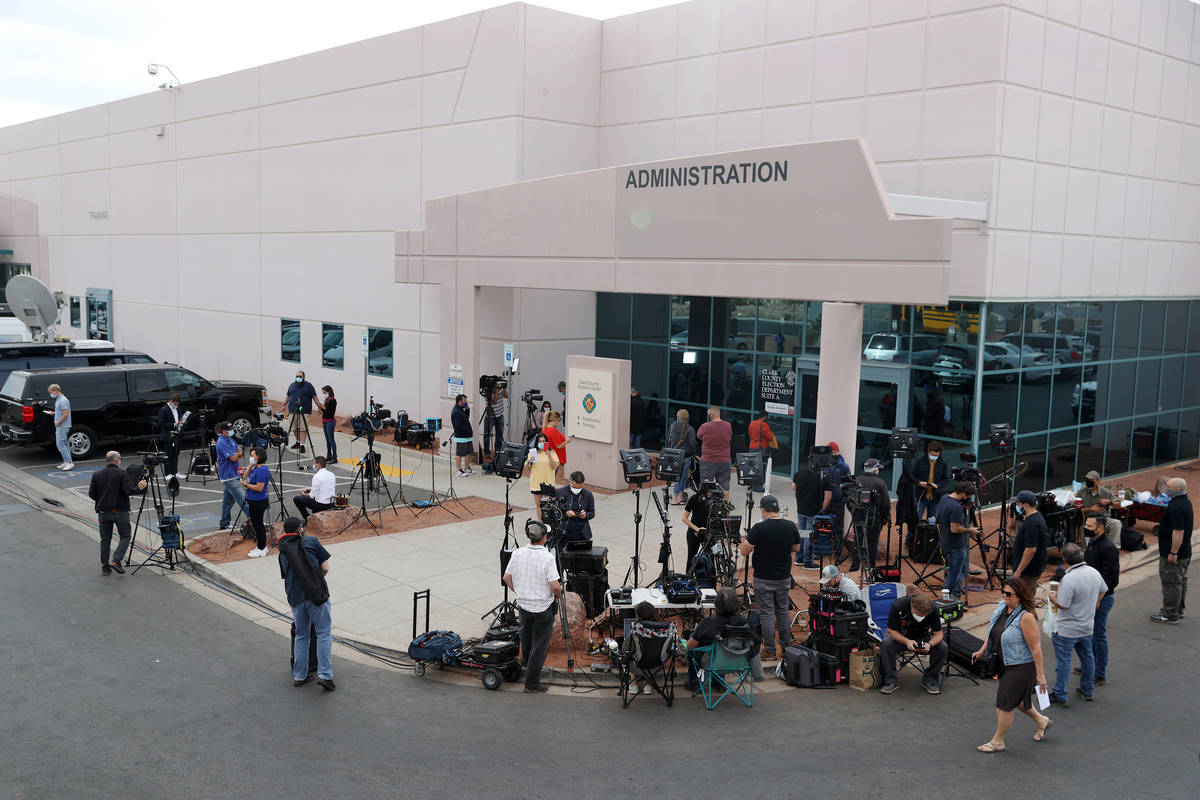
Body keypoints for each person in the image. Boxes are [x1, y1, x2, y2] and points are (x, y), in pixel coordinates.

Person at [973, 579, 1052, 752]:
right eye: (1003, 591)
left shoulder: (1026, 617)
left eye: (1008, 593)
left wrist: (1041, 676)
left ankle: (998, 741)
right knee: (1017, 700)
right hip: (1004, 664)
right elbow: (994, 633)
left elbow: (1036, 648)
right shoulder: (1002, 608)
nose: (1004, 595)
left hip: (1021, 666)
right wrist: (981, 651)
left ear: (1020, 595)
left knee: (1004, 702)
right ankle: (1042, 721)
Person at [502, 520, 562, 693]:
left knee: (527, 642)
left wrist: (519, 591)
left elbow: (507, 578)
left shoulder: (518, 554)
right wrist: (556, 597)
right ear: (544, 538)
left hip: (523, 605)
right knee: (539, 647)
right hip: (542, 608)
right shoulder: (547, 558)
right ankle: (531, 684)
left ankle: (528, 671)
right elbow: (556, 586)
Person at [1047, 543, 1109, 707]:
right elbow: (1104, 589)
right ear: (1081, 556)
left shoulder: (1069, 579)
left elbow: (1063, 604)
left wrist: (1053, 598)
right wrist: (1097, 602)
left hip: (1067, 629)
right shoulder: (1093, 572)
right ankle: (1087, 690)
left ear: (1064, 559)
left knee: (1064, 662)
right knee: (1087, 657)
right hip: (1086, 626)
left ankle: (1060, 694)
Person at [739, 494, 800, 660]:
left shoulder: (759, 528)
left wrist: (743, 542)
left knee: (766, 613)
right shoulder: (790, 526)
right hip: (783, 577)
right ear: (777, 509)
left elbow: (744, 551)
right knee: (782, 611)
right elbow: (796, 548)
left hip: (763, 578)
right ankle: (787, 647)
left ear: (764, 510)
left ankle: (770, 650)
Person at [278, 517, 335, 691]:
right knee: (323, 633)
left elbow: (285, 576)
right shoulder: (311, 541)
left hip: (296, 599)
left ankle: (300, 675)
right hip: (316, 596)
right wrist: (315, 580)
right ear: (300, 529)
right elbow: (325, 567)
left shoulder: (283, 551)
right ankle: (325, 675)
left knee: (302, 635)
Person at [686, 587, 764, 688]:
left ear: (716, 605)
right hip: (740, 662)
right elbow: (755, 644)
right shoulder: (746, 623)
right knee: (723, 645)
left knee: (696, 644)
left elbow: (690, 646)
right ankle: (719, 682)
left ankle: (695, 682)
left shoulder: (708, 624)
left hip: (714, 663)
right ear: (736, 604)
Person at [87, 451, 147, 575]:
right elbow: (128, 491)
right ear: (116, 460)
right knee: (125, 536)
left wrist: (103, 499)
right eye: (120, 458)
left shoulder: (97, 474)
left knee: (105, 539)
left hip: (103, 512)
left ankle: (105, 567)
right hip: (120, 511)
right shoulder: (122, 473)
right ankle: (116, 560)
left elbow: (92, 494)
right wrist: (139, 487)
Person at [879, 592, 947, 695]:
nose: (922, 618)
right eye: (919, 615)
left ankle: (930, 679)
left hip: (923, 638)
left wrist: (930, 644)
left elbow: (938, 634)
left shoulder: (933, 609)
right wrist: (907, 642)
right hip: (902, 638)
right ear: (912, 607)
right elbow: (891, 631)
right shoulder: (898, 606)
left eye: (925, 616)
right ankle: (891, 680)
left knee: (942, 647)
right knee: (886, 643)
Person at [1083, 513, 1119, 685]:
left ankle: (1100, 673)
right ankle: (1089, 666)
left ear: (1101, 528)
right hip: (1090, 596)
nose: (1086, 529)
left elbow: (1112, 579)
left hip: (1102, 598)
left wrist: (1098, 598)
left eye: (1090, 527)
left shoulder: (1108, 548)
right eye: (1086, 525)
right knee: (1089, 633)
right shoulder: (1092, 543)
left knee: (1098, 634)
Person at [1151, 477, 1191, 625]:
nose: (1166, 489)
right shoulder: (1184, 502)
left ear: (1178, 490)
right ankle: (1177, 610)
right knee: (1179, 581)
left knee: (1171, 581)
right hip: (1184, 551)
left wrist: (1173, 553)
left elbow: (1178, 532)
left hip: (1174, 553)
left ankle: (1170, 614)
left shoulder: (1176, 506)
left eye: (1169, 487)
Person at [935, 482, 981, 600]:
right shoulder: (955, 507)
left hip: (945, 542)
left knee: (958, 571)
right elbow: (955, 529)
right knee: (953, 575)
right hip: (955, 546)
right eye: (968, 496)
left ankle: (955, 597)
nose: (968, 499)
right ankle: (945, 600)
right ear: (964, 493)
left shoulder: (944, 498)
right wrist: (970, 530)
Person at [792, 450, 833, 570]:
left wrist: (799, 500)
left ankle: (799, 557)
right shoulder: (824, 477)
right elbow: (828, 496)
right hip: (813, 511)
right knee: (810, 535)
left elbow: (794, 487)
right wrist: (821, 510)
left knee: (802, 533)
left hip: (801, 509)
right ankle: (808, 561)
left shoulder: (800, 472)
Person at [855, 458, 891, 570]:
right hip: (875, 519)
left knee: (857, 543)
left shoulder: (856, 480)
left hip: (858, 518)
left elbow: (849, 500)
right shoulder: (880, 482)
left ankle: (854, 567)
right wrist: (886, 517)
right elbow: (886, 504)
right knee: (872, 544)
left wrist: (854, 513)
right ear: (875, 470)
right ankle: (870, 568)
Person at [215, 422, 249, 531]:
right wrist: (237, 454)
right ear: (224, 431)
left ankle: (224, 523)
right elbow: (233, 458)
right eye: (229, 429)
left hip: (233, 474)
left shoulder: (230, 440)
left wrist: (237, 454)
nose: (231, 431)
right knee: (242, 499)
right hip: (228, 476)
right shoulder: (221, 442)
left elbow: (240, 453)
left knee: (228, 501)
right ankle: (255, 519)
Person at [1010, 490, 1048, 587]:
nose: (1017, 507)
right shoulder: (1036, 518)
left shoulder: (1032, 523)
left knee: (1024, 598)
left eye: (1018, 504)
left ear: (1025, 505)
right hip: (1032, 569)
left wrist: (1019, 571)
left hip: (1027, 572)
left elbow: (1030, 550)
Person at [682, 481, 721, 571]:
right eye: (709, 492)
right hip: (694, 532)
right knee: (692, 557)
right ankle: (689, 578)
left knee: (711, 557)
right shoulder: (694, 498)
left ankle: (711, 581)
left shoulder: (715, 500)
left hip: (709, 532)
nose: (710, 494)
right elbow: (684, 518)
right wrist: (697, 529)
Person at [241, 446, 272, 557]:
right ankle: (260, 546)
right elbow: (245, 476)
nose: (251, 457)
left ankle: (262, 548)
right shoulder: (256, 468)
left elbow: (259, 488)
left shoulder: (262, 470)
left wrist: (246, 485)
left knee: (258, 525)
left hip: (258, 502)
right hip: (253, 500)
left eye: (252, 456)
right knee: (256, 524)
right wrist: (250, 464)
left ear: (258, 457)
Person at [909, 440, 949, 522]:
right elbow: (912, 475)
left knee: (932, 522)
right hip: (921, 496)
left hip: (935, 498)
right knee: (915, 520)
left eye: (936, 455)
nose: (934, 457)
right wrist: (919, 482)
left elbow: (946, 479)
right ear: (928, 451)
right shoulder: (920, 461)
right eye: (932, 455)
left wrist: (937, 485)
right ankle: (912, 535)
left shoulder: (943, 463)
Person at [665, 408, 698, 505]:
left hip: (674, 455)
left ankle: (678, 496)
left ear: (678, 416)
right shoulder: (690, 429)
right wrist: (692, 453)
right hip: (685, 456)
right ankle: (676, 498)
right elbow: (692, 444)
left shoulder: (672, 426)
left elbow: (668, 440)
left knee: (678, 477)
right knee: (682, 477)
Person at [555, 471, 595, 547]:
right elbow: (555, 512)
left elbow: (592, 513)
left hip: (582, 535)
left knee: (581, 557)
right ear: (571, 482)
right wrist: (565, 514)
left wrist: (586, 515)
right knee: (562, 557)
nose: (577, 489)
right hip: (564, 534)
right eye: (575, 487)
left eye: (580, 487)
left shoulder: (588, 495)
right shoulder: (560, 492)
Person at [696, 406, 733, 490]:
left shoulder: (705, 426)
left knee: (705, 485)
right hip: (724, 460)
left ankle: (706, 502)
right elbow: (729, 437)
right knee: (724, 485)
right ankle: (725, 502)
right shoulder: (728, 425)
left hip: (708, 460)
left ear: (711, 415)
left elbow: (699, 436)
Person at [526, 431, 560, 520]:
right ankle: (540, 522)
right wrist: (530, 461)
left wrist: (549, 456)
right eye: (540, 441)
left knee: (548, 505)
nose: (541, 443)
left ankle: (548, 523)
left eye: (543, 441)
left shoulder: (552, 452)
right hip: (536, 482)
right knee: (538, 505)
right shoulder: (533, 453)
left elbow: (555, 466)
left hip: (548, 483)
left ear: (546, 442)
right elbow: (527, 468)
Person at [293, 456, 336, 520]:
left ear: (318, 464)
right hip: (331, 503)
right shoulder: (332, 474)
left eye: (315, 463)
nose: (314, 465)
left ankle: (307, 518)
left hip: (321, 505)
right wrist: (311, 489)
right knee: (313, 494)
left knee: (297, 499)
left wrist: (303, 494)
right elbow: (325, 487)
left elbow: (311, 496)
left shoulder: (317, 476)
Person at [285, 370, 318, 454]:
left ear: (303, 377)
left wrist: (319, 406)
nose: (298, 378)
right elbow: (288, 396)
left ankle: (302, 445)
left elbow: (314, 397)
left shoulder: (309, 386)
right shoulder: (292, 385)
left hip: (305, 411)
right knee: (294, 427)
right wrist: (284, 405)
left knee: (303, 428)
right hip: (292, 410)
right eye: (297, 376)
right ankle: (298, 442)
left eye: (300, 376)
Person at [746, 410, 777, 493]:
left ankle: (752, 485)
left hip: (752, 447)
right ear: (764, 417)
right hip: (761, 448)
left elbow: (749, 433)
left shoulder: (752, 423)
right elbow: (769, 437)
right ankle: (758, 487)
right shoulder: (764, 425)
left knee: (752, 466)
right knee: (760, 467)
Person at [48, 383, 73, 471]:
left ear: (56, 390)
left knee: (60, 445)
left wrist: (58, 422)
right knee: (64, 444)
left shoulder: (63, 400)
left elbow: (65, 414)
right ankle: (66, 461)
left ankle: (69, 463)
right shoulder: (59, 399)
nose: (51, 394)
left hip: (62, 426)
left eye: (51, 392)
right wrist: (54, 413)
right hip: (61, 426)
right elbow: (61, 411)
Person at [542, 410, 572, 481]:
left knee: (547, 476)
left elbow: (545, 445)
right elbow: (558, 446)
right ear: (555, 420)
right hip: (554, 457)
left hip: (547, 456)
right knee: (551, 477)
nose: (558, 423)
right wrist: (567, 441)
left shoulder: (544, 429)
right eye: (558, 421)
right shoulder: (553, 431)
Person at [450, 394, 474, 477]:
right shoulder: (456, 411)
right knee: (459, 453)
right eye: (464, 401)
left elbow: (466, 418)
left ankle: (467, 468)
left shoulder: (461, 409)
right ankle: (459, 470)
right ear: (459, 401)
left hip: (467, 435)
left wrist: (467, 409)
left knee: (469, 452)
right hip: (461, 436)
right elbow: (458, 426)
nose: (466, 402)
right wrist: (466, 431)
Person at [483, 382, 507, 459]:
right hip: (490, 416)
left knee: (499, 434)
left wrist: (504, 389)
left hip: (499, 415)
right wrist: (497, 390)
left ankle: (497, 451)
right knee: (487, 434)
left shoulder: (499, 389)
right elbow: (495, 400)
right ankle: (487, 452)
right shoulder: (487, 391)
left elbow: (506, 395)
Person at [317, 384, 337, 463]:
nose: (323, 394)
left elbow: (331, 413)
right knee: (327, 440)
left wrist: (324, 408)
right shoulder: (327, 400)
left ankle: (335, 456)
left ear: (329, 392)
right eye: (323, 393)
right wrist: (320, 408)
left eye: (324, 393)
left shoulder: (333, 401)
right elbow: (324, 411)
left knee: (331, 439)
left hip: (330, 422)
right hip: (325, 421)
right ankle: (329, 455)